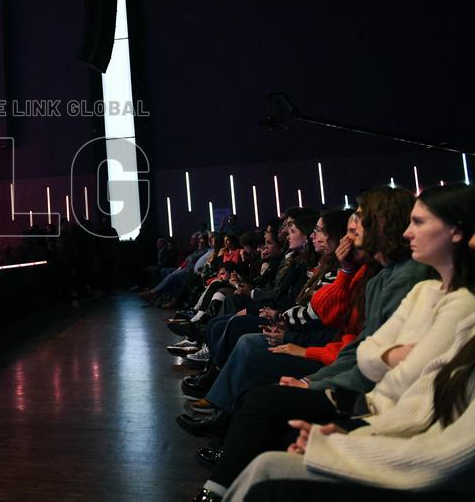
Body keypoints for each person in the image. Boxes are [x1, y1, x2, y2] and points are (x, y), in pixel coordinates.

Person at [193, 184, 474, 501]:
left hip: (365, 401)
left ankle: (220, 463)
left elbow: (393, 377)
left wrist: (317, 383)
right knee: (246, 358)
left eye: (419, 222)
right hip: (366, 399)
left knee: (255, 372)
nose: (349, 233)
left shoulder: (430, 290)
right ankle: (220, 460)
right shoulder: (404, 284)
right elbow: (367, 352)